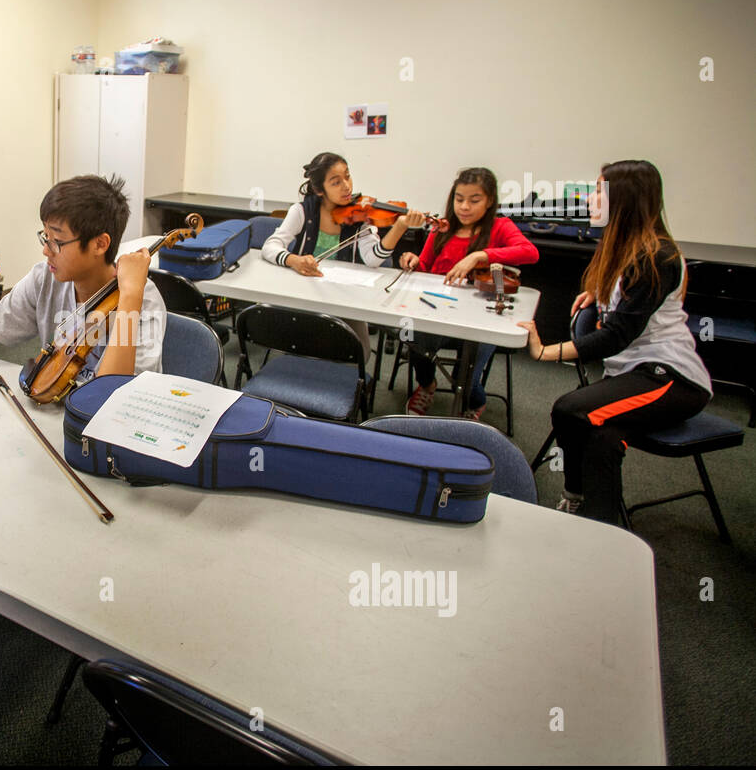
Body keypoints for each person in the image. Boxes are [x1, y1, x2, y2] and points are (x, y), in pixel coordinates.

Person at [0, 173, 165, 616]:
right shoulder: (46, 279)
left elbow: (109, 400)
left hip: (113, 444)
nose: (45, 251)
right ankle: (0, 570)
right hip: (48, 421)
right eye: (45, 236)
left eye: (57, 241)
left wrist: (130, 296)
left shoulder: (143, 301)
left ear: (100, 243)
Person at [519, 160, 711, 524]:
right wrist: (599, 293)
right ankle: (598, 526)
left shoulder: (658, 258)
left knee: (570, 409)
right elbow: (627, 303)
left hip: (670, 379)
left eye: (598, 192)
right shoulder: (624, 249)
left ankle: (573, 496)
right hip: (633, 373)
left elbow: (616, 336)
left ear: (624, 201)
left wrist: (547, 352)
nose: (590, 199)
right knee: (602, 439)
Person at [393, 166, 539, 419]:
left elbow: (530, 252)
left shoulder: (500, 227)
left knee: (468, 379)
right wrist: (413, 261)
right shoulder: (443, 228)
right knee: (410, 333)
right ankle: (427, 385)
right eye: (459, 199)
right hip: (440, 314)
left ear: (490, 200)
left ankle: (476, 402)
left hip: (480, 321)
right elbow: (426, 266)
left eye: (474, 200)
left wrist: (480, 255)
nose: (464, 207)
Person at [261, 152, 386, 356]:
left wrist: (398, 229)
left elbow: (373, 259)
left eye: (347, 176)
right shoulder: (303, 211)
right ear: (320, 190)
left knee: (361, 352)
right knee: (294, 347)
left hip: (344, 299)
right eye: (336, 182)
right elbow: (271, 246)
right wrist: (294, 260)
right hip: (305, 296)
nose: (346, 186)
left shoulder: (359, 216)